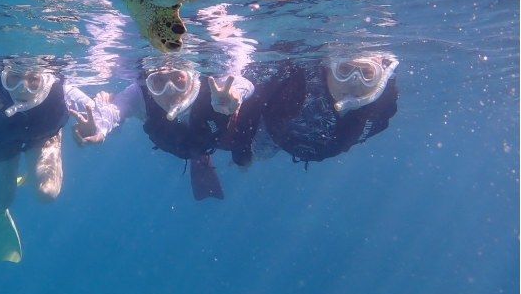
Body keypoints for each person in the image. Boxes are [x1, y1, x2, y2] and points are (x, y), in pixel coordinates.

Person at [0, 58, 106, 264]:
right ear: (2, 76)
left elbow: (97, 113)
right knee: (3, 201)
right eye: (13, 79)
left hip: (44, 136)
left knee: (47, 193)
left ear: (46, 78)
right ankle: (3, 208)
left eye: (34, 80)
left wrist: (97, 128)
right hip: (1, 139)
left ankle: (36, 166)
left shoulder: (62, 89)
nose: (23, 88)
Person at [72, 58, 256, 200]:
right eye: (158, 82)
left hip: (219, 135)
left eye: (178, 79)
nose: (170, 90)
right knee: (195, 147)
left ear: (192, 77)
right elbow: (115, 109)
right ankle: (199, 158)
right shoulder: (138, 94)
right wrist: (100, 126)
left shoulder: (212, 86)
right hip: (181, 143)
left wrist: (235, 95)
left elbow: (244, 83)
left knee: (244, 160)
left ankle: (205, 156)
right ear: (148, 84)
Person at [249, 51, 400, 167]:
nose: (354, 82)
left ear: (381, 77)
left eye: (368, 73)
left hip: (315, 148)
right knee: (259, 154)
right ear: (328, 68)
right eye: (344, 70)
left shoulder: (384, 104)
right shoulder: (299, 82)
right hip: (273, 136)